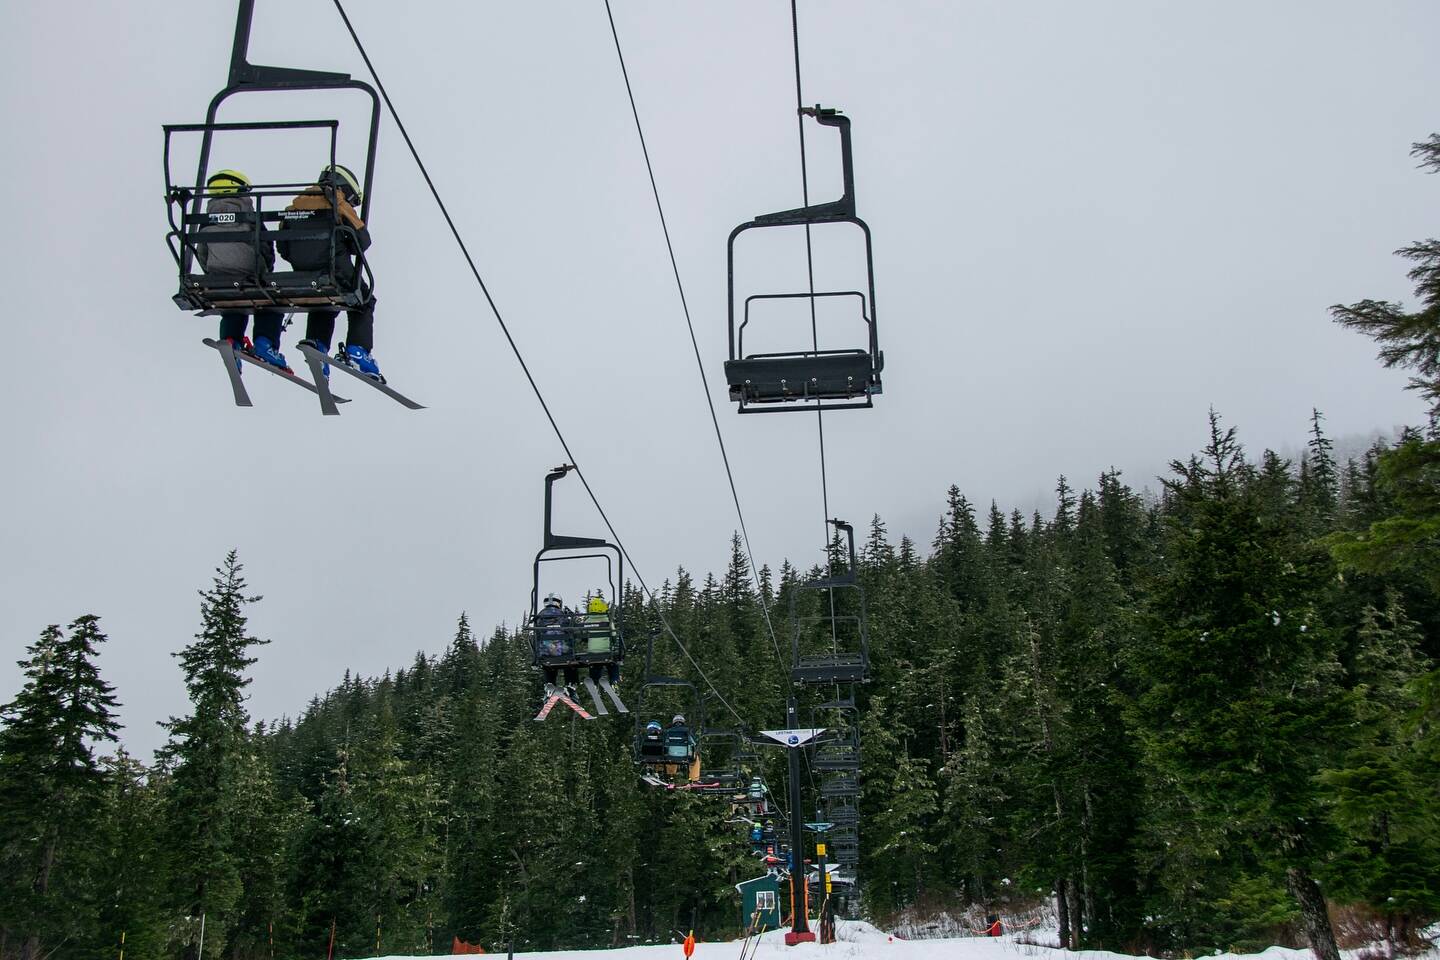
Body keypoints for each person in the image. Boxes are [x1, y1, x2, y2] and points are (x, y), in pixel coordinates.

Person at [276, 163, 382, 380]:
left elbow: (283, 248)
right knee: (364, 299)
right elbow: (363, 241)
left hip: (303, 275)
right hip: (335, 270)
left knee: (323, 302)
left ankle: (317, 343)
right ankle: (358, 349)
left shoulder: (294, 206)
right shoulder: (338, 203)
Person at [198, 169, 288, 370]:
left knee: (232, 301)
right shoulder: (249, 217)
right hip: (249, 272)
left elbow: (201, 252)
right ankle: (265, 343)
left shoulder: (205, 220)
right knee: (272, 297)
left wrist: (212, 271)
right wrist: (265, 269)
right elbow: (265, 249)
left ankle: (231, 339)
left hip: (218, 276)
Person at [534, 594, 576, 693]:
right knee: (570, 662)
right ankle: (571, 683)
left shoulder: (540, 616)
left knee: (548, 663)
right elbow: (570, 630)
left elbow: (538, 633)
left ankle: (549, 683)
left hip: (545, 652)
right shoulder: (562, 615)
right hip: (562, 652)